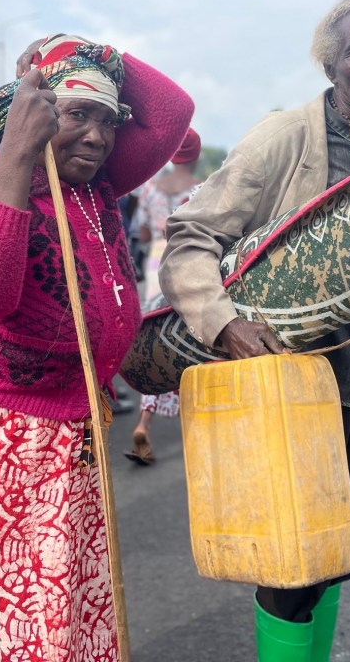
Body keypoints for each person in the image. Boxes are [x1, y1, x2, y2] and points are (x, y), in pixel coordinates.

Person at [158, 0, 350, 662]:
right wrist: (225, 324)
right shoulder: (284, 138)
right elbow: (189, 238)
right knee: (292, 564)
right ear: (331, 64)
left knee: (337, 555)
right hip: (285, 387)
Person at [0, 34, 193, 661]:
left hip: (68, 425)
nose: (98, 136)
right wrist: (18, 148)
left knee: (60, 597)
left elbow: (172, 111)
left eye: (108, 120)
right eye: (77, 113)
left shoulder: (96, 182)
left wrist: (81, 47)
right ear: (34, 111)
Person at [124, 127, 202, 465]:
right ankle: (195, 434)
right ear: (195, 156)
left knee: (155, 345)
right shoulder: (201, 190)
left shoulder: (151, 189)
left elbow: (141, 233)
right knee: (189, 341)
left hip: (157, 259)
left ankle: (144, 423)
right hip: (186, 261)